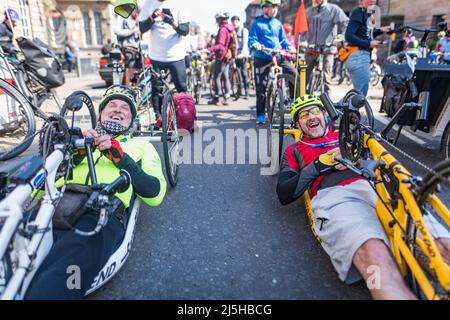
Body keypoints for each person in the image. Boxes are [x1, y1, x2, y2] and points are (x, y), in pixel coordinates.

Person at [276, 94, 450, 300]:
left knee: (441, 245)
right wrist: (318, 165)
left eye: (314, 111)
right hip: (336, 196)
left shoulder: (349, 133)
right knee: (375, 254)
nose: (310, 117)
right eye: (303, 115)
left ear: (325, 114)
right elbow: (284, 193)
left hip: (377, 185)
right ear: (298, 124)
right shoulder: (294, 148)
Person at [24, 87, 167, 299]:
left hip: (101, 210)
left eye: (125, 108)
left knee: (64, 268)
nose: (118, 110)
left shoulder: (142, 146)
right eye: (112, 105)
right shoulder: (80, 139)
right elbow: (44, 180)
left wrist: (120, 158)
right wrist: (77, 153)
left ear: (132, 119)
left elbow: (154, 194)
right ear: (100, 114)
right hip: (55, 202)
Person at [139, 0, 190, 129]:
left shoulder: (180, 4)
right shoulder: (148, 4)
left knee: (182, 88)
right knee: (156, 89)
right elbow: (142, 28)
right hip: (156, 55)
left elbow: (185, 30)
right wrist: (152, 17)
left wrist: (171, 22)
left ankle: (185, 118)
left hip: (176, 55)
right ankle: (159, 119)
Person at [248, 0, 296, 125]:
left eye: (276, 7)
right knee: (261, 87)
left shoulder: (278, 23)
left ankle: (293, 101)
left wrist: (289, 46)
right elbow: (251, 39)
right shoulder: (257, 23)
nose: (274, 9)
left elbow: (283, 39)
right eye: (271, 7)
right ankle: (260, 114)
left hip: (277, 55)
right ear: (264, 8)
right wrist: (255, 44)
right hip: (262, 57)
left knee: (294, 75)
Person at [344, 0, 391, 96]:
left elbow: (365, 34)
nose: (372, 1)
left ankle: (347, 110)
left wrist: (380, 30)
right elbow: (348, 36)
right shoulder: (358, 12)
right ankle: (342, 109)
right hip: (358, 56)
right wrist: (369, 43)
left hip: (361, 56)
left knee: (359, 92)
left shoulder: (368, 14)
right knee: (360, 94)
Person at [303, 0, 348, 95]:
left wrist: (340, 38)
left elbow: (346, 25)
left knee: (326, 79)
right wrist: (302, 40)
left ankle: (327, 105)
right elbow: (301, 29)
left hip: (327, 49)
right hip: (310, 49)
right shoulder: (308, 11)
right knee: (304, 77)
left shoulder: (333, 10)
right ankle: (301, 101)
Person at [207, 12, 236, 106]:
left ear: (220, 20)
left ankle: (217, 97)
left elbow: (220, 45)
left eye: (217, 19)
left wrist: (209, 50)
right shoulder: (229, 28)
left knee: (217, 77)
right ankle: (226, 97)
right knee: (225, 76)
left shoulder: (223, 29)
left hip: (221, 56)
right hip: (227, 55)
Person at [114, 8, 142, 86]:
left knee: (138, 71)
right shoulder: (123, 17)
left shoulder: (137, 19)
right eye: (136, 11)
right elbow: (116, 30)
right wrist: (131, 31)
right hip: (128, 48)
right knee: (130, 70)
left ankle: (135, 89)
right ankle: (128, 89)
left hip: (138, 50)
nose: (137, 14)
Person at [231, 16, 250, 99]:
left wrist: (242, 53)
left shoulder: (244, 30)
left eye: (235, 21)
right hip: (235, 54)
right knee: (237, 73)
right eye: (233, 21)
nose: (234, 23)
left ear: (238, 22)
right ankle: (239, 91)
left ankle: (247, 92)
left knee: (244, 73)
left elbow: (245, 43)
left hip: (243, 54)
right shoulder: (232, 31)